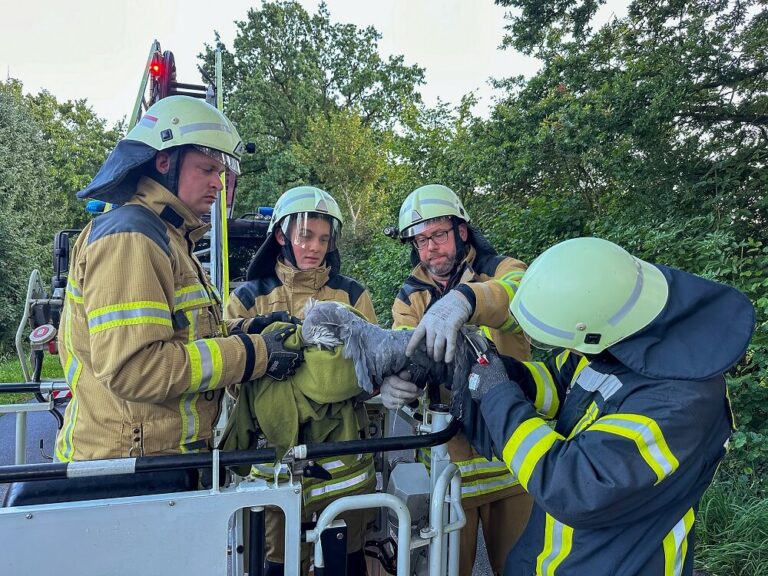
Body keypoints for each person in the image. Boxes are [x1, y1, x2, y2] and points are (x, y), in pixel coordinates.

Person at [453, 237, 755, 576]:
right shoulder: (616, 335)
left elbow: (571, 484)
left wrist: (497, 395)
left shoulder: (681, 403)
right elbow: (559, 383)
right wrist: (503, 371)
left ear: (594, 331)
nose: (569, 352)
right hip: (554, 558)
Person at [55, 96, 303, 463]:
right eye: (206, 169)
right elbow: (137, 370)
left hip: (160, 458)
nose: (218, 185)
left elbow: (184, 337)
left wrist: (249, 328)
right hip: (130, 467)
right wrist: (255, 353)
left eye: (221, 173)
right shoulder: (132, 238)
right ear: (164, 161)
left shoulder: (169, 237)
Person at [381, 184, 534, 576]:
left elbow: (520, 295)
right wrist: (399, 387)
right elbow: (405, 349)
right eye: (420, 240)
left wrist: (468, 299)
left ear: (461, 231)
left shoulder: (501, 269)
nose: (430, 248)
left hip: (513, 458)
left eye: (438, 235)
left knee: (524, 569)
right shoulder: (410, 297)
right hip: (447, 467)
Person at [225, 186, 377, 576]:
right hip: (274, 460)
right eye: (306, 235)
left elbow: (370, 367)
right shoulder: (247, 299)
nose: (315, 247)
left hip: (343, 461)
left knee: (347, 560)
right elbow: (228, 370)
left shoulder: (353, 295)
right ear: (282, 235)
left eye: (324, 239)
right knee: (278, 561)